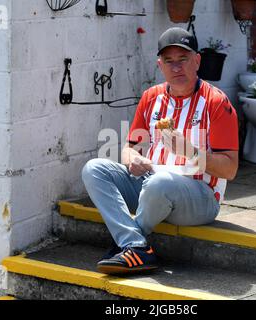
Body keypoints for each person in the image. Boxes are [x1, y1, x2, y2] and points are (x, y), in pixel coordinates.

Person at [82, 27, 239, 275]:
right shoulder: (151, 97)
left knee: (160, 181)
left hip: (200, 198)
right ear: (160, 65)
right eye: (169, 61)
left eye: (183, 59)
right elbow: (129, 148)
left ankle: (130, 245)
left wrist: (190, 152)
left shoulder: (216, 102)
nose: (176, 68)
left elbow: (230, 169)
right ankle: (135, 245)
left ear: (197, 61)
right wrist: (133, 159)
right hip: (152, 187)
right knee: (94, 169)